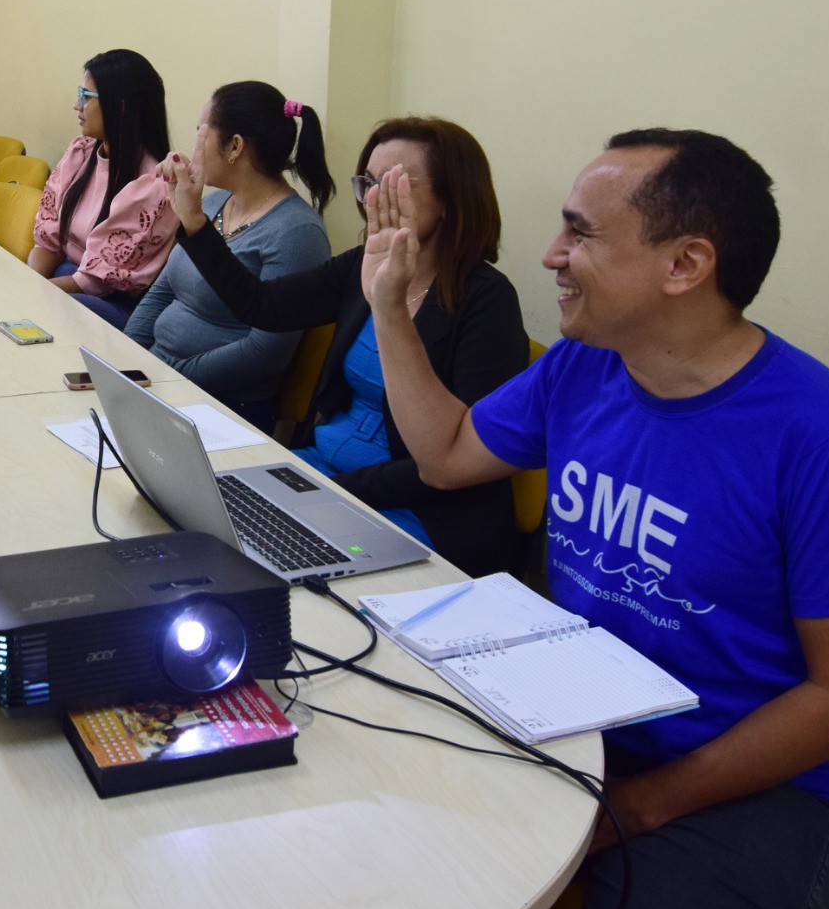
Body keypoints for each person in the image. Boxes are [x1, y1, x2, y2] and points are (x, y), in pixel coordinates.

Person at [363, 128, 829, 909]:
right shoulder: (586, 364)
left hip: (743, 781)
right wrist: (390, 311)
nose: (551, 253)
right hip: (579, 717)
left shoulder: (827, 443)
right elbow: (446, 455)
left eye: (580, 232)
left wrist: (647, 803)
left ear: (686, 265)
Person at [159, 117, 526, 575]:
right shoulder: (365, 263)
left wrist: (334, 489)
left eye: (392, 184)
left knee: (257, 572)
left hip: (420, 511)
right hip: (325, 474)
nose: (373, 199)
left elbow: (462, 458)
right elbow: (263, 306)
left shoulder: (488, 302)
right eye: (367, 183)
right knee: (193, 525)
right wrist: (194, 219)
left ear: (453, 197)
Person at [125, 82, 333, 428]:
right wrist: (127, 359)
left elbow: (263, 354)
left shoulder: (297, 233)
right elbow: (162, 291)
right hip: (157, 379)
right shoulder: (211, 203)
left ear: (234, 146)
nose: (192, 146)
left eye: (199, 131)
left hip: (224, 405)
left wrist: (166, 378)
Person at [30, 49, 178, 328]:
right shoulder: (81, 153)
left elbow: (95, 280)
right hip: (62, 281)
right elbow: (48, 238)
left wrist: (35, 294)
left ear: (120, 106)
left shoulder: (152, 185)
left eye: (86, 97)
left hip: (105, 302)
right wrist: (30, 283)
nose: (77, 105)